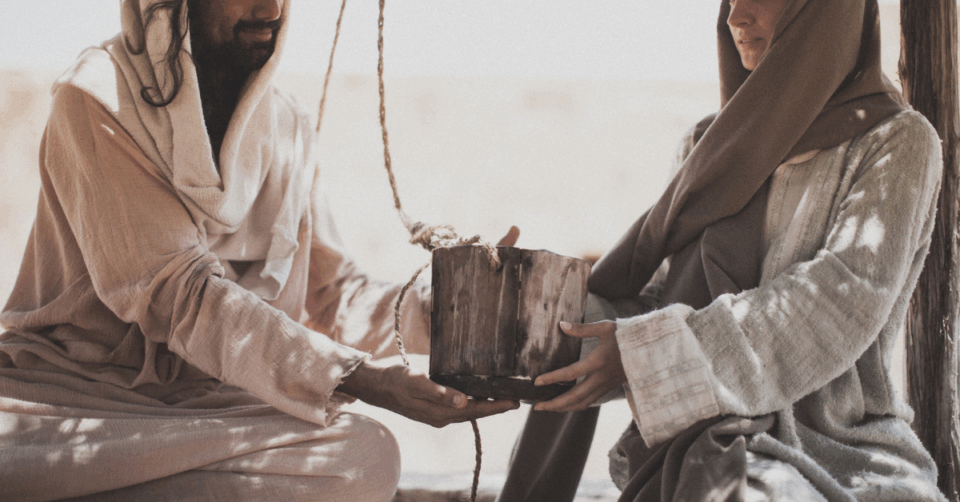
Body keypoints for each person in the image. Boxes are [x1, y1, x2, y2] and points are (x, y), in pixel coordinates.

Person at [0, 0, 519, 500]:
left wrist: (450, 307)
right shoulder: (95, 97)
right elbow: (181, 295)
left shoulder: (286, 127)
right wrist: (364, 378)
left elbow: (334, 298)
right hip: (76, 401)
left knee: (363, 457)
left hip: (214, 411)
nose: (271, 10)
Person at [501, 0, 948, 500]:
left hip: (842, 450)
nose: (737, 16)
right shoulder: (705, 145)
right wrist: (525, 310)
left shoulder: (895, 142)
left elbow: (834, 304)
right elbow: (654, 301)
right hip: (697, 441)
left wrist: (651, 357)